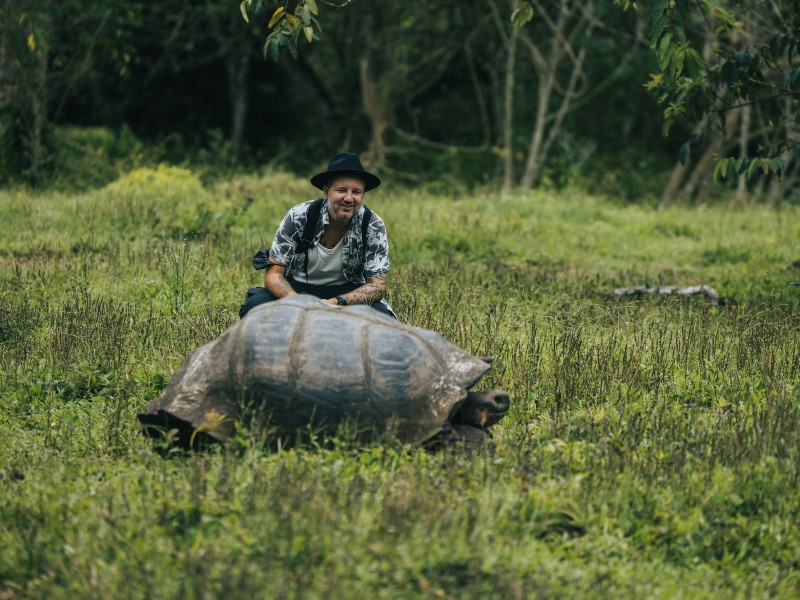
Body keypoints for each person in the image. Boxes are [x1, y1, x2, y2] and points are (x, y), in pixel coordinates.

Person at [239, 152, 396, 318]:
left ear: (363, 195)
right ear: (326, 191)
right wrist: (297, 301)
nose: (349, 198)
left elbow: (377, 286)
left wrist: (336, 302)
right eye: (342, 190)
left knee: (384, 318)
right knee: (254, 307)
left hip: (347, 291)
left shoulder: (372, 224)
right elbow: (274, 274)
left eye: (356, 192)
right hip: (297, 287)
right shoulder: (299, 216)